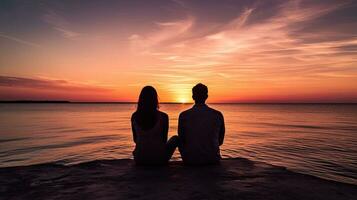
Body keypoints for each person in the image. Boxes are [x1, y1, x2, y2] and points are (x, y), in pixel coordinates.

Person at [178, 83, 225, 165]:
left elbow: (182, 139)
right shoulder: (218, 115)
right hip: (213, 159)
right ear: (206, 96)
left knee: (176, 139)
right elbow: (220, 141)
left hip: (191, 160)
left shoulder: (184, 115)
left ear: (193, 97)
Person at [131, 86, 179, 165]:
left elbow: (135, 139)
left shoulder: (134, 116)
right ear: (155, 99)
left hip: (140, 159)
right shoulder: (163, 117)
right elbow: (163, 141)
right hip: (158, 160)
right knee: (176, 138)